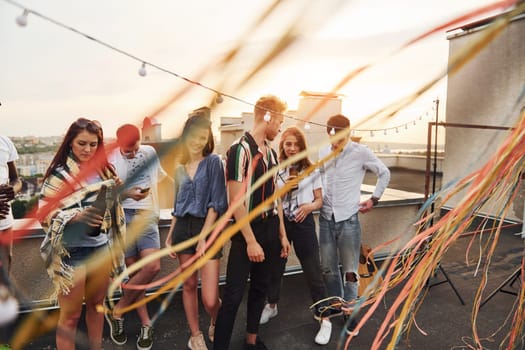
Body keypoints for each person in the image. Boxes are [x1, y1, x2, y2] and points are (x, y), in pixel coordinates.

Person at [39, 118, 125, 350]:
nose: (88, 150)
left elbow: (109, 205)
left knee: (97, 306)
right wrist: (74, 217)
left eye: (93, 144)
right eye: (82, 143)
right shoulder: (59, 175)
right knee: (70, 316)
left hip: (101, 247)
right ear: (70, 144)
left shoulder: (104, 170)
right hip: (71, 251)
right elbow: (44, 212)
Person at [213, 95, 291, 350]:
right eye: (279, 120)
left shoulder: (270, 153)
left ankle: (251, 341)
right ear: (267, 116)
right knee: (234, 294)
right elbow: (236, 201)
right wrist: (250, 241)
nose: (280, 127)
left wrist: (281, 234)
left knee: (261, 287)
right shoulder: (240, 149)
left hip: (269, 228)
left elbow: (275, 197)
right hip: (247, 230)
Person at [259, 126, 336, 345]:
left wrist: (309, 207)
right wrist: (282, 233)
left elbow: (319, 200)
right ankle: (272, 305)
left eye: (295, 144)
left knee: (313, 271)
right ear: (283, 146)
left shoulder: (311, 169)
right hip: (282, 225)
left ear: (302, 146)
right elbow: (277, 203)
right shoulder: (277, 171)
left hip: (303, 225)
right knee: (276, 267)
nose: (292, 148)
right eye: (287, 144)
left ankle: (325, 318)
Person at [318, 114, 390, 336]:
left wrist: (373, 199)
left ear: (348, 133)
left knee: (349, 271)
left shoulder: (361, 152)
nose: (334, 140)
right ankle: (334, 307)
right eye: (331, 134)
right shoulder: (322, 152)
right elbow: (318, 181)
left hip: (349, 221)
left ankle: (349, 312)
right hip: (325, 219)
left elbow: (384, 173)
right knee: (329, 269)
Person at [164, 113, 227, 350]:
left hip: (206, 228)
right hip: (182, 229)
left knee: (210, 298)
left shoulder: (213, 162)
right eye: (195, 136)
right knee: (189, 285)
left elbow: (216, 203)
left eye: (203, 137)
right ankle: (195, 334)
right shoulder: (179, 167)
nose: (198, 141)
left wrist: (203, 238)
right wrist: (170, 236)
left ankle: (214, 319)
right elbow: (178, 207)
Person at [105, 124, 168, 350]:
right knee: (135, 277)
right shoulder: (111, 158)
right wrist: (128, 193)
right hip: (123, 218)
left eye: (136, 147)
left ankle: (118, 310)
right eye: (128, 150)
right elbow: (106, 194)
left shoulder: (149, 152)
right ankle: (146, 324)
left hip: (147, 215)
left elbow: (159, 178)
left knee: (151, 267)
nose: (133, 153)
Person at [0, 134, 22, 342]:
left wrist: (12, 190)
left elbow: (16, 180)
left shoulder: (4, 141)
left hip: (4, 223)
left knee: (4, 279)